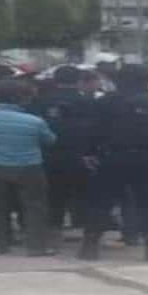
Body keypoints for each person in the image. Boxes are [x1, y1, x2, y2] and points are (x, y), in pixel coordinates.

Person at [79, 64, 148, 262]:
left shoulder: (105, 102)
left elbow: (91, 130)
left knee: (102, 203)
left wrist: (89, 152)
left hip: (113, 158)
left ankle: (90, 246)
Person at [0, 80, 57, 256]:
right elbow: (50, 140)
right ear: (19, 98)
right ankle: (37, 246)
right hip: (29, 166)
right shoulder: (34, 121)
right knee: (34, 206)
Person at [30, 66, 94, 242]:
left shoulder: (40, 101)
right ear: (79, 80)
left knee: (53, 195)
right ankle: (89, 233)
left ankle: (53, 233)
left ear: (55, 80)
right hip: (81, 155)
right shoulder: (88, 102)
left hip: (48, 154)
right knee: (84, 194)